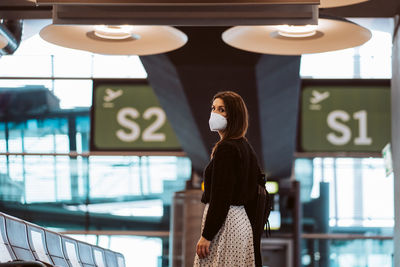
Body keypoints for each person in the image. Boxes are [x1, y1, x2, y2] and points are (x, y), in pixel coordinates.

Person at [193, 91, 266, 267]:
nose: (215, 113)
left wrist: (207, 235)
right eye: (213, 108)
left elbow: (221, 196)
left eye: (222, 110)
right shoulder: (245, 147)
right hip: (242, 223)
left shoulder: (226, 149)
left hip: (226, 224)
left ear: (234, 115)